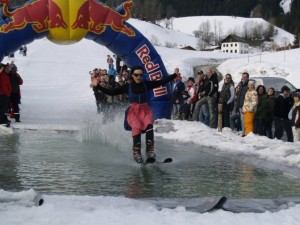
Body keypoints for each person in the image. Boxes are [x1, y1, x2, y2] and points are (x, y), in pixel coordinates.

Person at [91, 65, 177, 164]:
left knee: (149, 125)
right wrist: (97, 86)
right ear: (132, 75)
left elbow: (161, 82)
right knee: (136, 127)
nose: (138, 77)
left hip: (145, 110)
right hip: (133, 112)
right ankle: (137, 153)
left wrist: (174, 75)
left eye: (140, 75)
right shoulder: (127, 86)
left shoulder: (146, 84)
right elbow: (111, 92)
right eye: (136, 75)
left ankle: (150, 151)